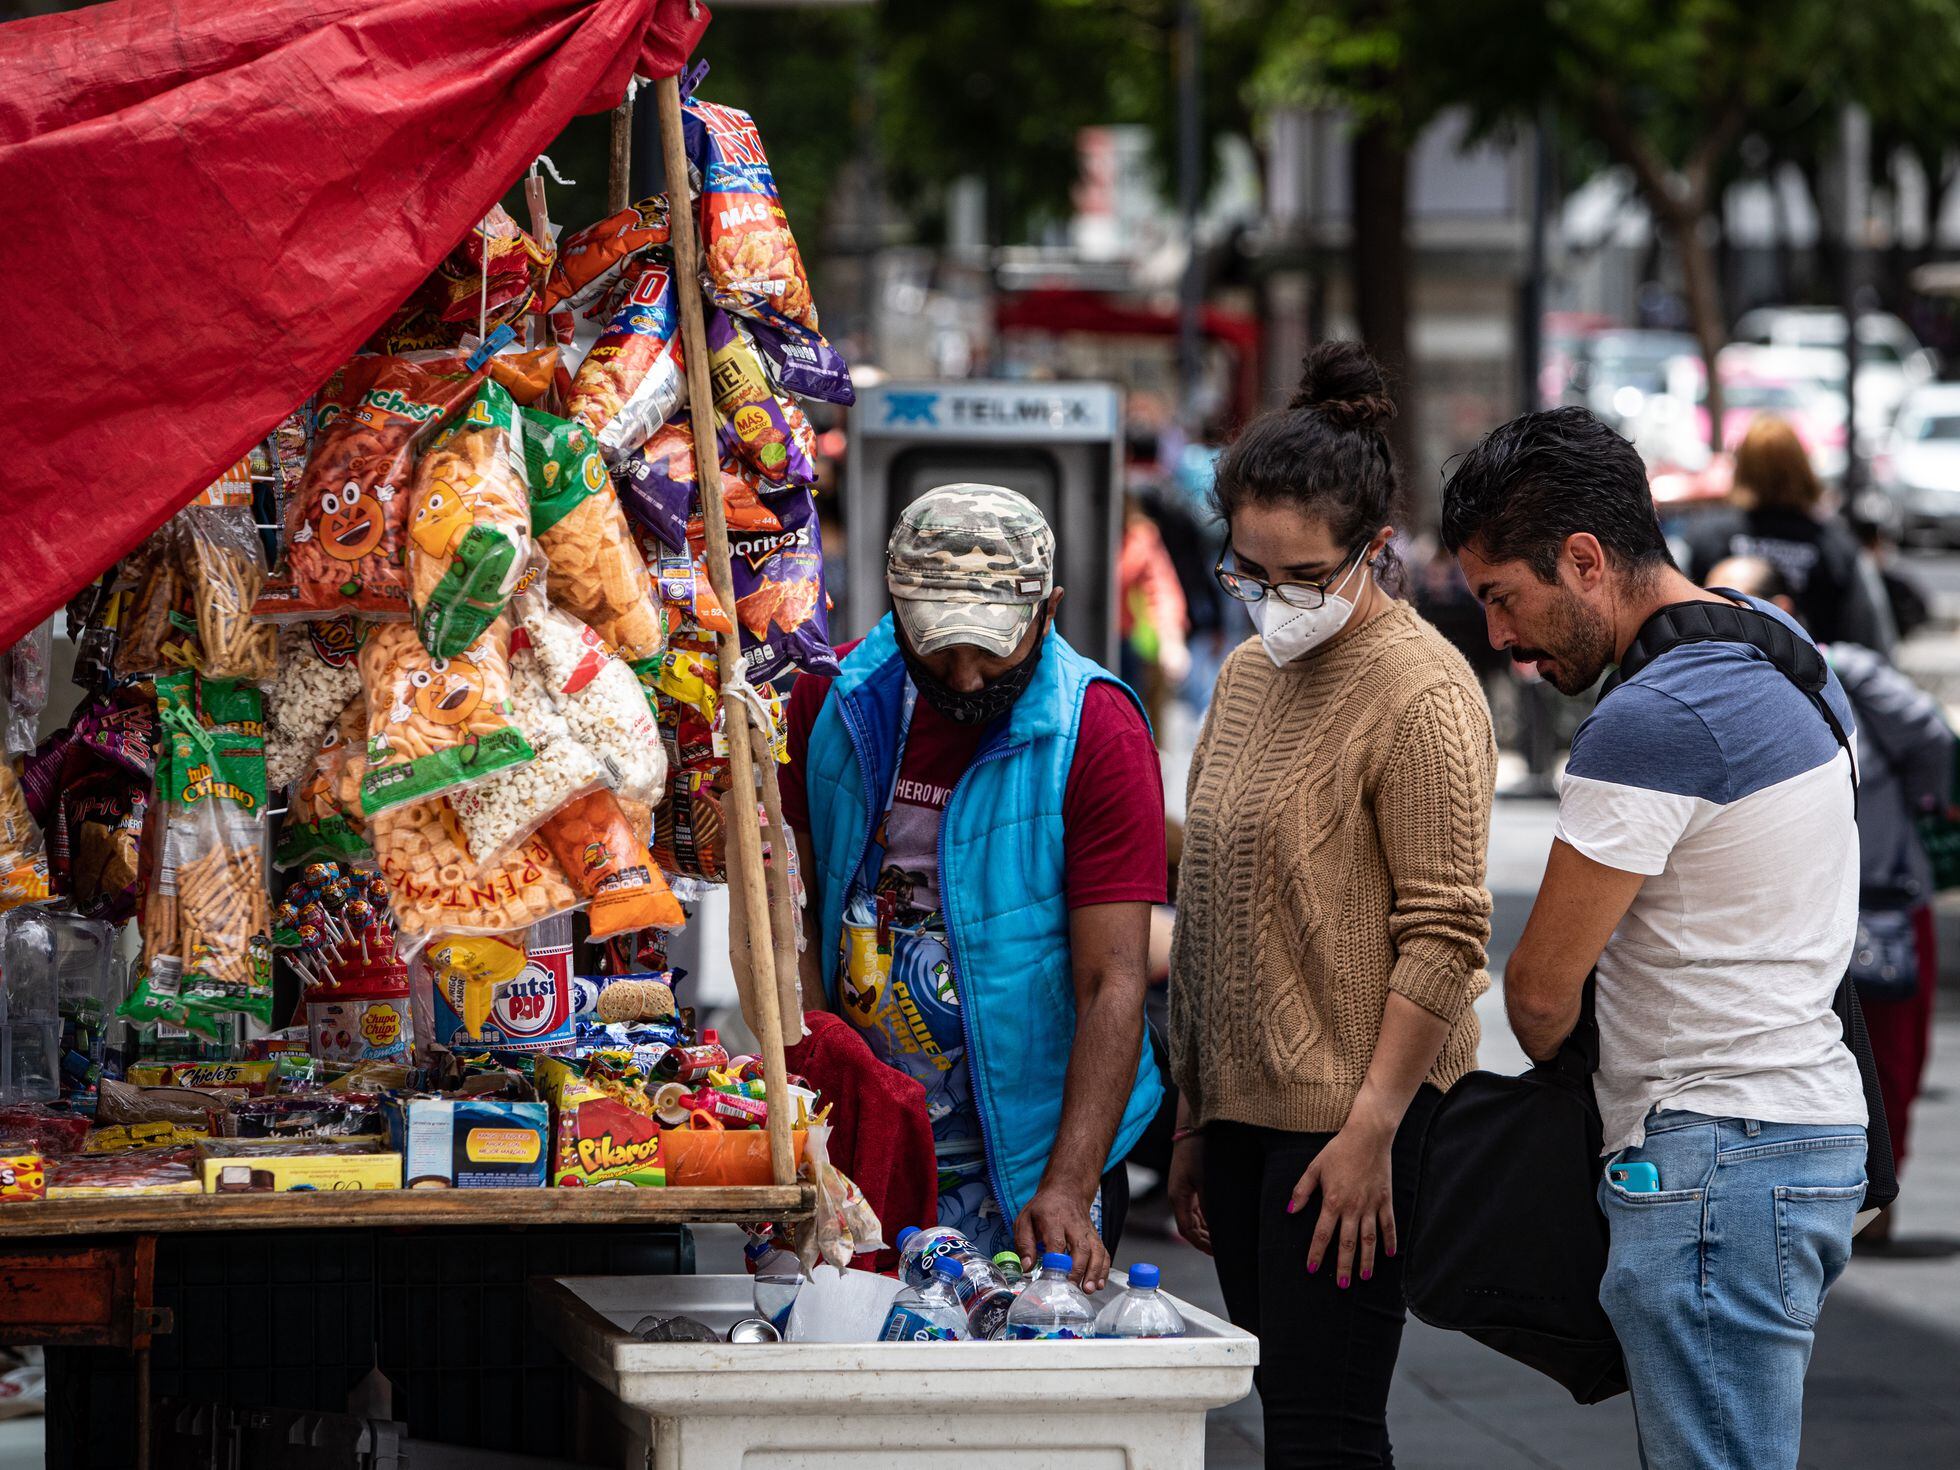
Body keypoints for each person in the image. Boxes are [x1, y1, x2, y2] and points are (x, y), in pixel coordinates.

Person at [1442, 407, 1869, 1470]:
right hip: (1804, 1139)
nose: (1499, 638)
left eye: (1504, 596)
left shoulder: (1652, 719)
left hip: (1713, 1158)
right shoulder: (1780, 649)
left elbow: (1538, 991)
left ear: (1584, 559)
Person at [1167, 342, 1498, 1467]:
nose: (1274, 600)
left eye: (1302, 576)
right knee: (1284, 1419)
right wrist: (1197, 1113)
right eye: (1249, 572)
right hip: (1249, 1118)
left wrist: (1369, 1132)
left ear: (1375, 552)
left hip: (1357, 1119)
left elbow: (1446, 935)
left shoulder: (1423, 692)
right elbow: (1211, 893)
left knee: (1323, 1432)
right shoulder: (1252, 674)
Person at [780, 484, 1165, 1290]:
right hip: (859, 1139)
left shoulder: (1098, 730)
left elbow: (1113, 979)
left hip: (1033, 1150)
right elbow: (791, 912)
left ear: (1048, 611)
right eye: (939, 651)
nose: (964, 676)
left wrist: (1068, 1181)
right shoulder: (828, 696)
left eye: (991, 651)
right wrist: (810, 1096)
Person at [1707, 554, 1952, 1247]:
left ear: (1781, 604)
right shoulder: (1722, 689)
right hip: (1794, 910)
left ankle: (1878, 1200)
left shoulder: (1847, 669)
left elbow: (1931, 738)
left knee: (1893, 1061)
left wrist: (1924, 807)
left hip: (1883, 898)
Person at [1683, 414, 1892, 652]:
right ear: (1803, 468)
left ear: (1741, 468)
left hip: (1717, 675)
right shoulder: (1834, 545)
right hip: (1816, 681)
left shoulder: (1705, 536)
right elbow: (1872, 636)